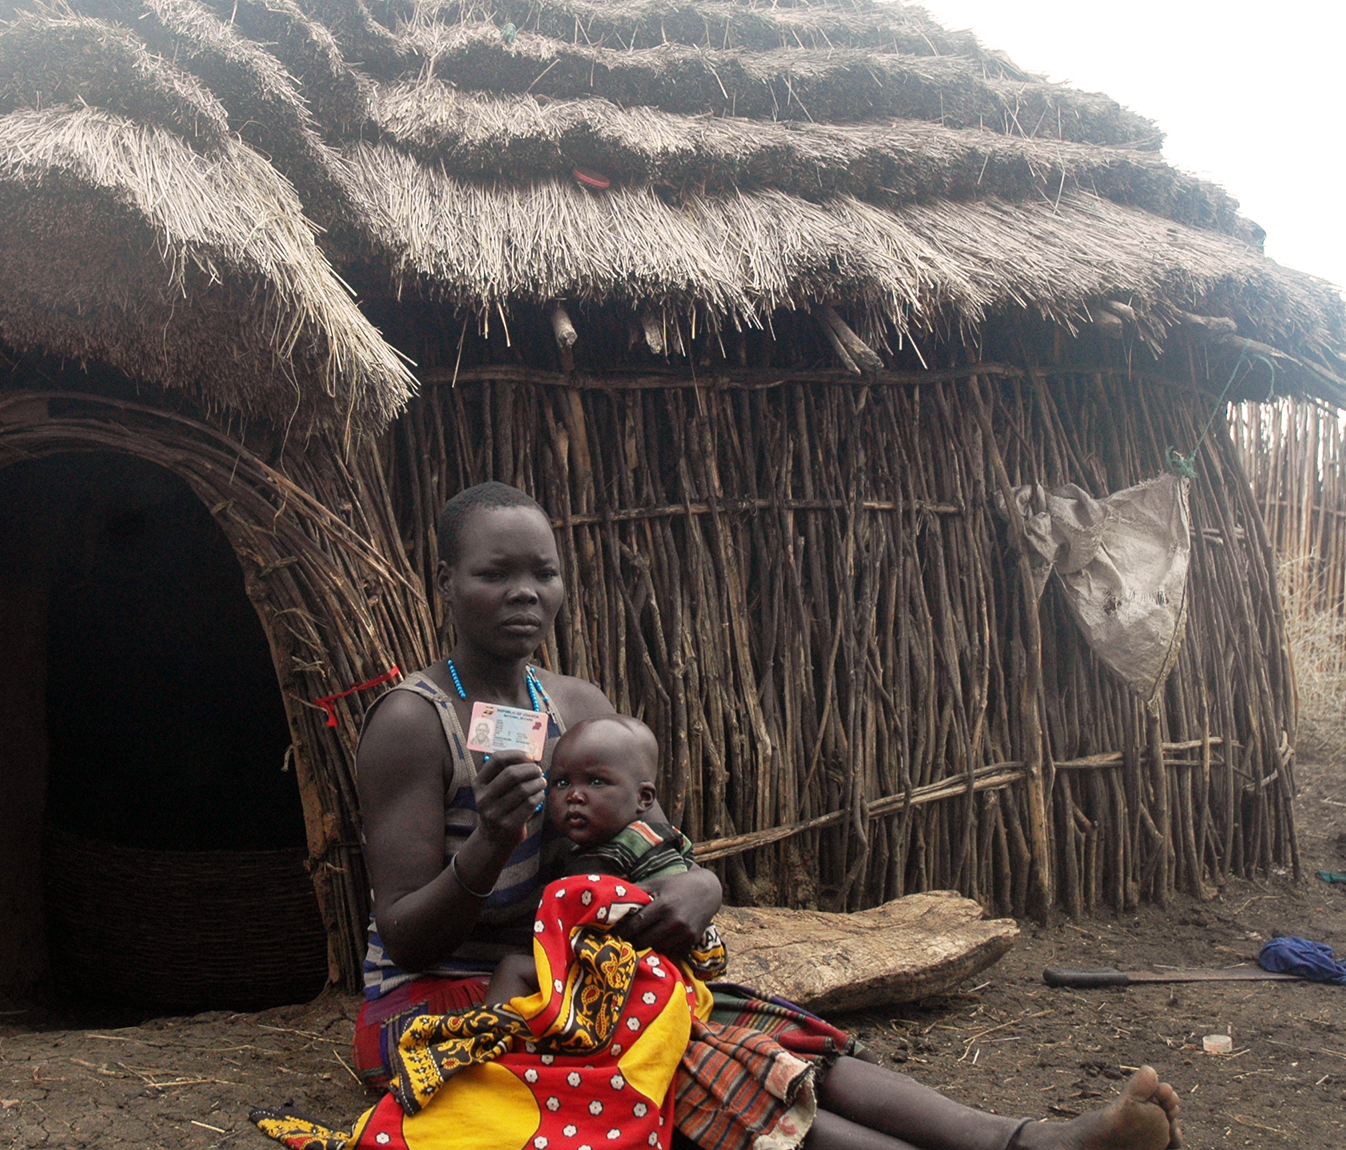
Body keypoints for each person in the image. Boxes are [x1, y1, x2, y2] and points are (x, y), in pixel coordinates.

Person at [354, 481, 1183, 1150]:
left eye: (544, 572)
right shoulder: (411, 721)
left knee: (768, 1026)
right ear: (446, 584)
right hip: (441, 1010)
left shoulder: (576, 704)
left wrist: (699, 887)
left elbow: (659, 843)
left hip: (578, 979)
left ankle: (1017, 1137)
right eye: (495, 573)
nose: (525, 592)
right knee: (698, 1058)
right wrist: (487, 848)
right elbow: (405, 938)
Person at [484, 713, 721, 1007]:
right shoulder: (579, 855)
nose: (574, 796)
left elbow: (680, 919)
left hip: (646, 976)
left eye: (596, 782)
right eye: (560, 783)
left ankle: (490, 1041)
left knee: (512, 970)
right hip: (602, 970)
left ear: (643, 799)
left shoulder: (643, 843)